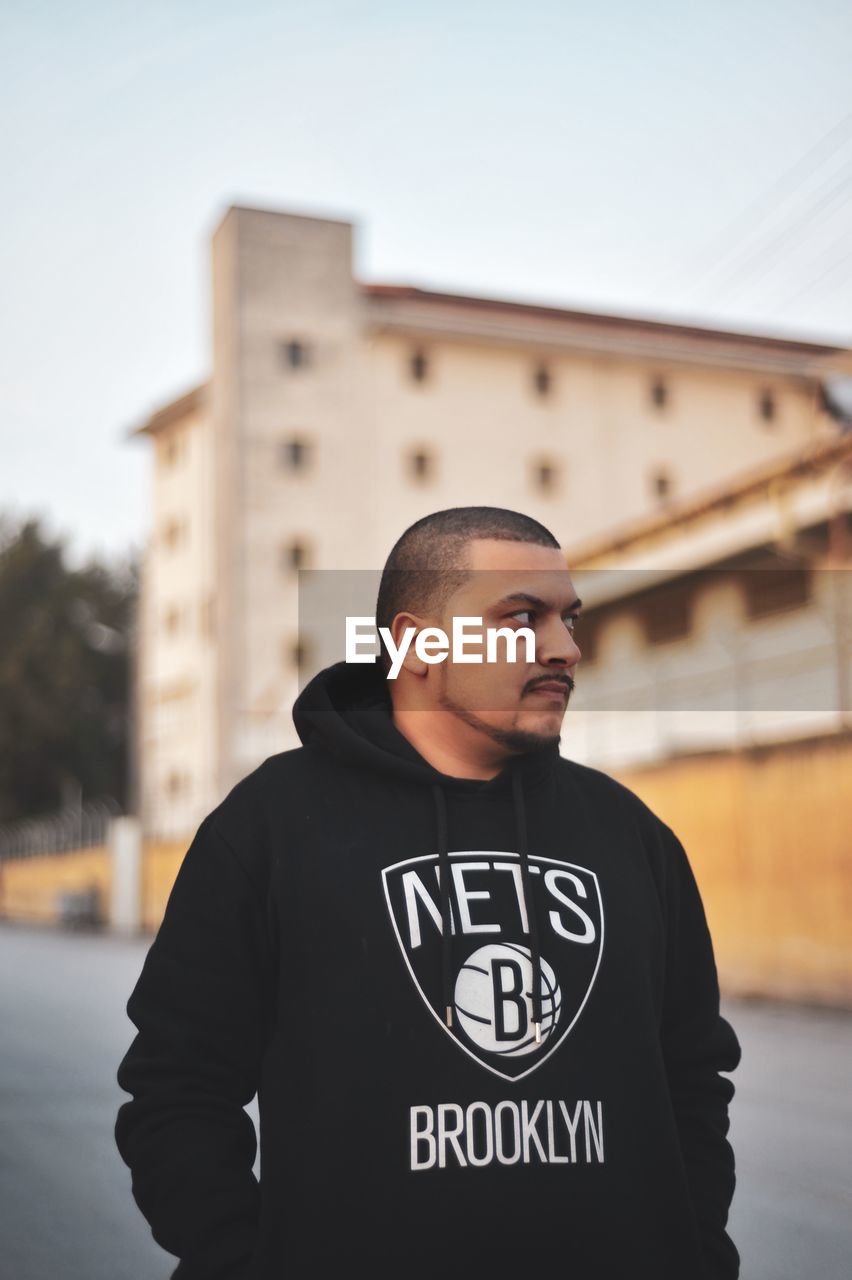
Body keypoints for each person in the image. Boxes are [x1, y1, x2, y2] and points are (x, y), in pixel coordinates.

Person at [115, 505, 741, 1280]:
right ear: (416, 644)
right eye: (522, 618)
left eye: (568, 619)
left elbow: (694, 1076)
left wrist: (699, 1256)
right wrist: (237, 1258)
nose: (565, 648)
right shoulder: (270, 829)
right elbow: (177, 1088)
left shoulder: (632, 837)